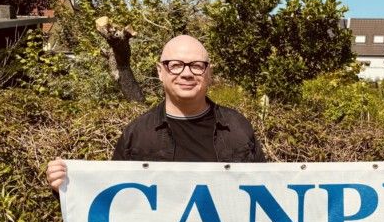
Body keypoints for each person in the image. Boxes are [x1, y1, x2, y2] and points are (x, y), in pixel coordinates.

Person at [46, 34, 265, 191]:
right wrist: (68, 186)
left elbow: (266, 193)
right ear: (160, 72)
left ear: (209, 73)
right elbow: (114, 202)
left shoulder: (237, 127)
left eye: (197, 65)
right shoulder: (137, 134)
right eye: (175, 65)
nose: (187, 73)